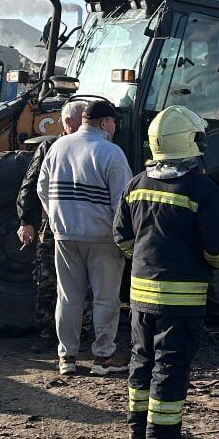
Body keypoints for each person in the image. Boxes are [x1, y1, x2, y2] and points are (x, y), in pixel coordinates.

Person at [113, 106, 219, 439]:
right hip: (181, 300)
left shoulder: (137, 183)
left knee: (142, 359)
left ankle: (138, 429)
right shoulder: (201, 188)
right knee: (171, 366)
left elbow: (121, 236)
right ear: (192, 142)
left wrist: (146, 261)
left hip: (140, 296)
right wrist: (212, 263)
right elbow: (217, 247)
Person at [38, 99, 133, 376]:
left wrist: (57, 218)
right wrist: (126, 239)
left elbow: (42, 189)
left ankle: (66, 358)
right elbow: (121, 203)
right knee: (105, 298)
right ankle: (103, 358)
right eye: (114, 122)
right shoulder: (111, 153)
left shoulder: (57, 147)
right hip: (102, 237)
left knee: (68, 297)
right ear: (104, 123)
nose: (115, 127)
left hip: (64, 235)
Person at [16, 99, 87, 352]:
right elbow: (32, 185)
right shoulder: (49, 147)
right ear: (68, 122)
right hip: (52, 225)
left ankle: (81, 332)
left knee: (83, 283)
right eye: (83, 119)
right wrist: (27, 221)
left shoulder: (96, 147)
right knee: (47, 281)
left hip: (84, 225)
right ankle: (47, 333)